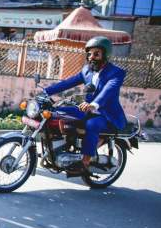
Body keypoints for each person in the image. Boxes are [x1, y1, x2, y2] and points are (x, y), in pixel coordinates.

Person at [44, 36, 127, 176]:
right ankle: (59, 150)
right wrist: (45, 92)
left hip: (106, 113)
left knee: (92, 125)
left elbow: (109, 90)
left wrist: (94, 104)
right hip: (86, 108)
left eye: (96, 54)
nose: (91, 57)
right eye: (89, 54)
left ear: (105, 55)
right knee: (55, 112)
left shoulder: (116, 72)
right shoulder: (86, 70)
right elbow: (68, 82)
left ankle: (85, 162)